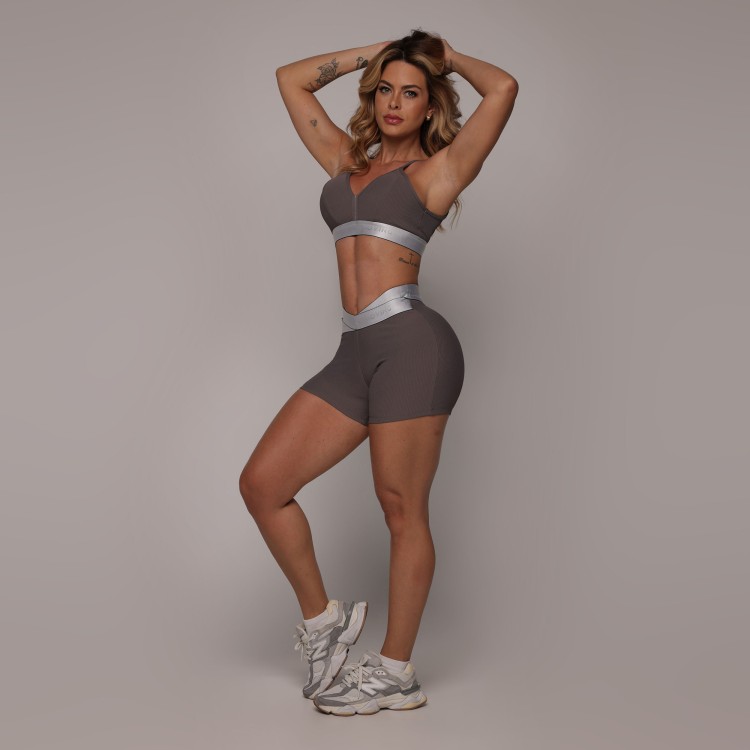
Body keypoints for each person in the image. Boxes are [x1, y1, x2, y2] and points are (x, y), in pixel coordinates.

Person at [239, 30, 518, 716]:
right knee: (263, 485)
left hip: (415, 349)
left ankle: (396, 672)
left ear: (430, 107)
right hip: (354, 353)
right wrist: (381, 50)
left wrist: (444, 57)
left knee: (400, 509)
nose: (394, 102)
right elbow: (290, 78)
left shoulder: (437, 173)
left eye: (411, 92)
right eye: (386, 90)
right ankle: (324, 624)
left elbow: (504, 89)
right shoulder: (346, 162)